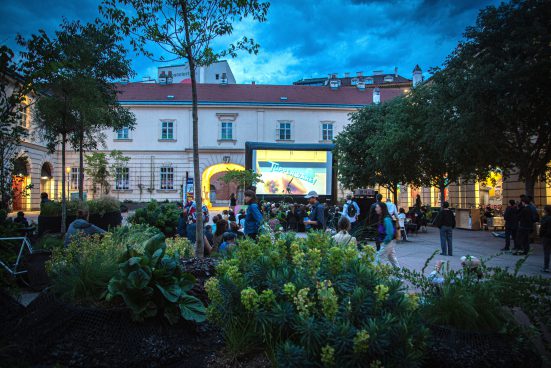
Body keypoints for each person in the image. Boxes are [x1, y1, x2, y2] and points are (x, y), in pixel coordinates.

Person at [374, 202, 400, 268]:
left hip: (388, 242)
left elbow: (390, 233)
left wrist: (385, 242)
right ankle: (400, 277)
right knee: (393, 260)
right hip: (390, 242)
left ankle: (380, 276)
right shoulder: (385, 218)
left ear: (381, 208)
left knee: (379, 259)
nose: (375, 209)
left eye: (377, 207)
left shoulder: (386, 219)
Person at [539, 205, 551, 273]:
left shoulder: (545, 218)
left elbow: (542, 229)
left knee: (547, 252)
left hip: (546, 237)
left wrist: (541, 236)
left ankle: (546, 267)